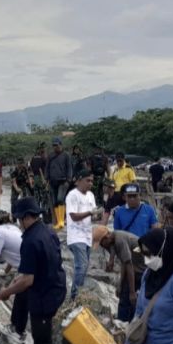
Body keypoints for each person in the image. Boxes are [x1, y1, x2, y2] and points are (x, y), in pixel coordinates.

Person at [0, 197, 67, 344]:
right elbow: (30, 272)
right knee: (22, 293)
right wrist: (16, 283)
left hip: (45, 297)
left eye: (19, 219)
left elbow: (28, 280)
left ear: (27, 217)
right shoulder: (47, 230)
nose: (19, 223)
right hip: (55, 285)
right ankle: (17, 329)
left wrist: (6, 292)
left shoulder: (30, 241)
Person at [94, 225, 146, 322]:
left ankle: (125, 323)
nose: (102, 246)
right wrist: (120, 285)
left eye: (101, 243)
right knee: (124, 295)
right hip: (134, 269)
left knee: (131, 299)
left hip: (141, 271)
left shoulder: (120, 241)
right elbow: (123, 262)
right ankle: (124, 322)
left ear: (106, 237)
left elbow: (128, 265)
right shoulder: (114, 237)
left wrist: (132, 292)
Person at [65, 170, 97, 300]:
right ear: (79, 180)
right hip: (76, 236)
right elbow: (73, 216)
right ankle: (75, 296)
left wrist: (97, 215)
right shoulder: (72, 195)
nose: (90, 183)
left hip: (87, 236)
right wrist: (90, 213)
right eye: (87, 180)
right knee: (82, 265)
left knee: (84, 266)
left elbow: (93, 215)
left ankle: (79, 294)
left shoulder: (91, 195)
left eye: (92, 181)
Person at [46, 137, 73, 230]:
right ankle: (58, 221)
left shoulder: (66, 155)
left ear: (61, 145)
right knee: (54, 202)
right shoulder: (50, 156)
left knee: (60, 199)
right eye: (54, 145)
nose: (55, 147)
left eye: (56, 145)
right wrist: (46, 179)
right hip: (52, 182)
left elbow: (69, 168)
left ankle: (61, 220)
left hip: (63, 181)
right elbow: (47, 168)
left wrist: (68, 180)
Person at [30, 142, 51, 223]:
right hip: (41, 179)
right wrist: (44, 181)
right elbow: (41, 170)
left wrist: (32, 181)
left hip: (35, 180)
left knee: (37, 199)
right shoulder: (43, 159)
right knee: (44, 199)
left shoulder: (33, 159)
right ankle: (46, 218)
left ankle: (36, 218)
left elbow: (31, 170)